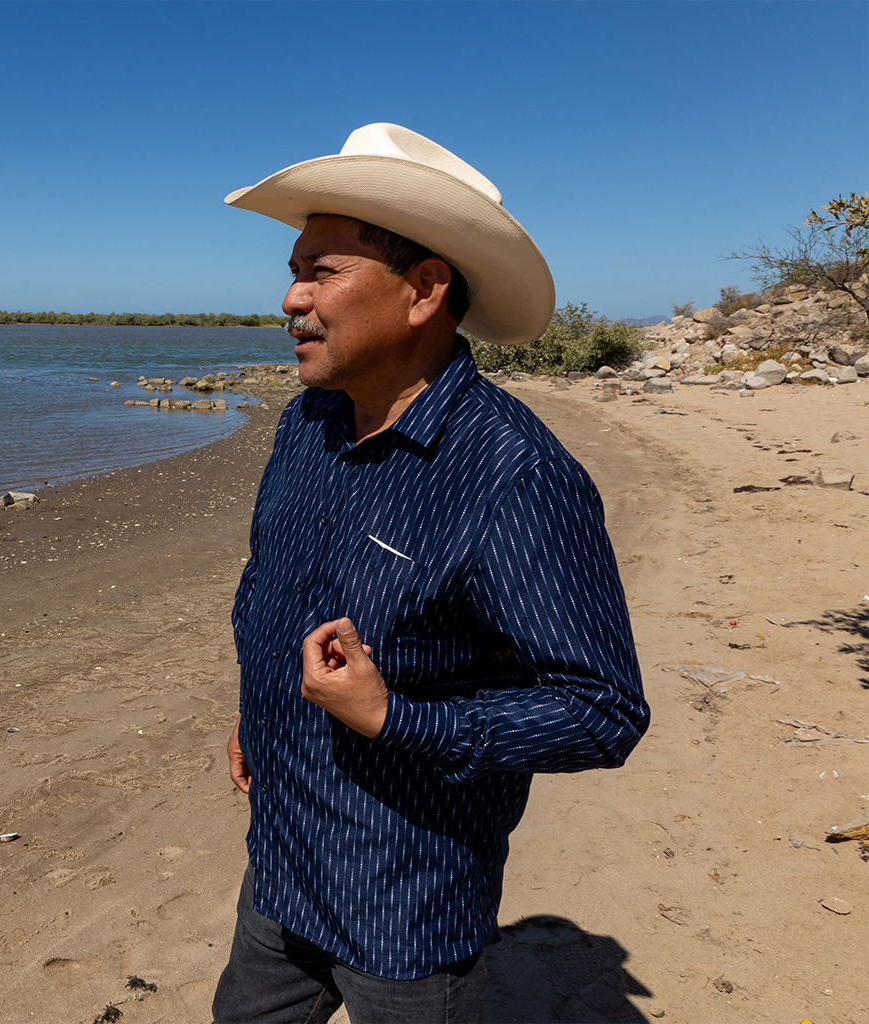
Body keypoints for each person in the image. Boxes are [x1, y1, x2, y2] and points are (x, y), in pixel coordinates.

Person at [210, 123, 649, 1024]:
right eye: (294, 269)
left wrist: (393, 717)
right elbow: (270, 588)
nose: (291, 298)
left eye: (321, 271)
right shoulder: (310, 422)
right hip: (283, 859)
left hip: (406, 897)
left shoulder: (516, 477)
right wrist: (258, 715)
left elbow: (601, 710)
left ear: (423, 290)